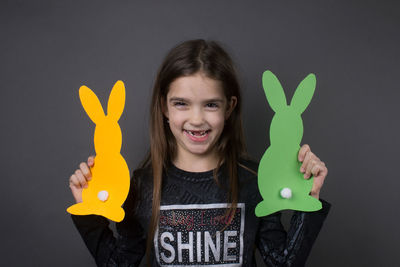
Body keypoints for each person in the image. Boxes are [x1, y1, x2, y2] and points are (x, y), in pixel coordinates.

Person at [69, 39, 330, 267]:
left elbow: (283, 262)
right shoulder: (138, 186)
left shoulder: (256, 182)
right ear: (164, 107)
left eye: (211, 105)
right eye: (181, 104)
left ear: (229, 107)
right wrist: (88, 212)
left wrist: (309, 201)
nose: (196, 119)